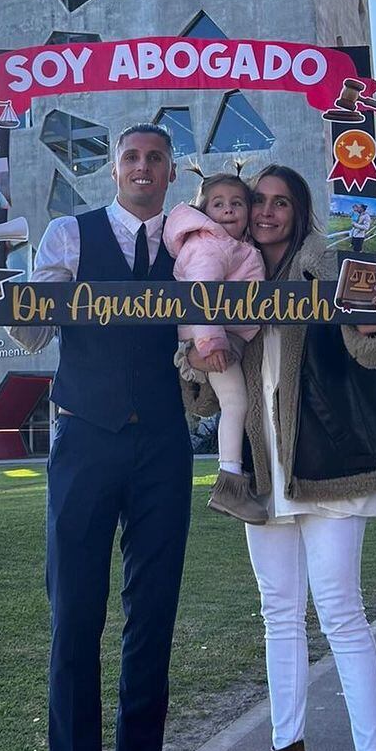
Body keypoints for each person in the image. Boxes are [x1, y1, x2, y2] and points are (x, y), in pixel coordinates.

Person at [0, 124, 194, 751]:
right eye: (131, 157)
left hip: (163, 445)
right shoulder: (68, 232)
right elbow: (29, 333)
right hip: (84, 442)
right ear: (113, 168)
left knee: (151, 625)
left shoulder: (193, 246)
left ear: (172, 169)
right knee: (74, 626)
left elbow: (231, 316)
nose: (144, 168)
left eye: (156, 157)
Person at [185, 164, 376, 751]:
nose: (269, 212)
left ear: (302, 211)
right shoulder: (232, 281)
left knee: (340, 613)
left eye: (283, 202)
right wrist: (195, 354)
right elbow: (207, 396)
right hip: (264, 478)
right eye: (260, 203)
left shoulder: (334, 268)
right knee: (279, 616)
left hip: (333, 465)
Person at [163, 171, 267, 524]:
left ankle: (235, 479)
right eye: (218, 203)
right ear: (204, 210)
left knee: (238, 402)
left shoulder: (235, 244)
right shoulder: (209, 245)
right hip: (208, 336)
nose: (228, 209)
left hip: (224, 334)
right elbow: (201, 293)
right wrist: (210, 342)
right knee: (236, 402)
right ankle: (230, 485)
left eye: (237, 203)